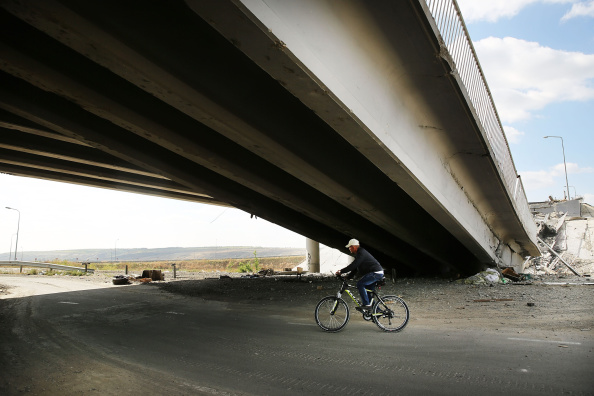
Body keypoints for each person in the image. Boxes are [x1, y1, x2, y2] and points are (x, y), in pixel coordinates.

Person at [335, 239, 384, 311]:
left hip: (375, 273)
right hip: (375, 273)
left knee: (360, 284)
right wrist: (348, 277)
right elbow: (355, 268)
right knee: (367, 292)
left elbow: (354, 265)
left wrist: (341, 271)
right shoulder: (359, 253)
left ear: (354, 247)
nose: (349, 249)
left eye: (350, 247)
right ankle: (377, 311)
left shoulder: (361, 253)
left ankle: (366, 305)